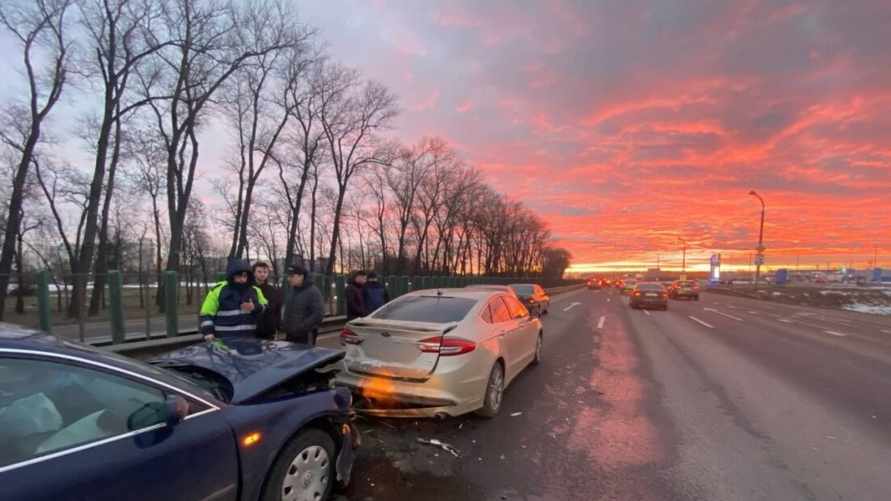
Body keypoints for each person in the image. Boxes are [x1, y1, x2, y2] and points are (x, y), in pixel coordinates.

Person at [199, 259, 268, 341]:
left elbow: (265, 306)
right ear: (232, 276)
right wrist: (208, 332)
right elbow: (206, 313)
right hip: (224, 340)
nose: (242, 279)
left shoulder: (255, 290)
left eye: (245, 276)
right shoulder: (218, 289)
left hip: (249, 339)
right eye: (239, 276)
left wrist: (255, 307)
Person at [281, 264, 324, 345]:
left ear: (301, 276)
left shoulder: (313, 292)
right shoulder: (292, 290)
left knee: (306, 353)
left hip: (305, 335)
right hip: (290, 334)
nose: (289, 279)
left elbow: (318, 314)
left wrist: (302, 327)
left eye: (292, 276)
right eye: (288, 276)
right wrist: (285, 325)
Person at [252, 261, 282, 339]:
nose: (262, 274)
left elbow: (277, 310)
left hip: (269, 331)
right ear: (254, 273)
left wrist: (278, 327)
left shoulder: (273, 290)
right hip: (251, 331)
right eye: (259, 272)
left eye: (265, 272)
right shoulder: (249, 289)